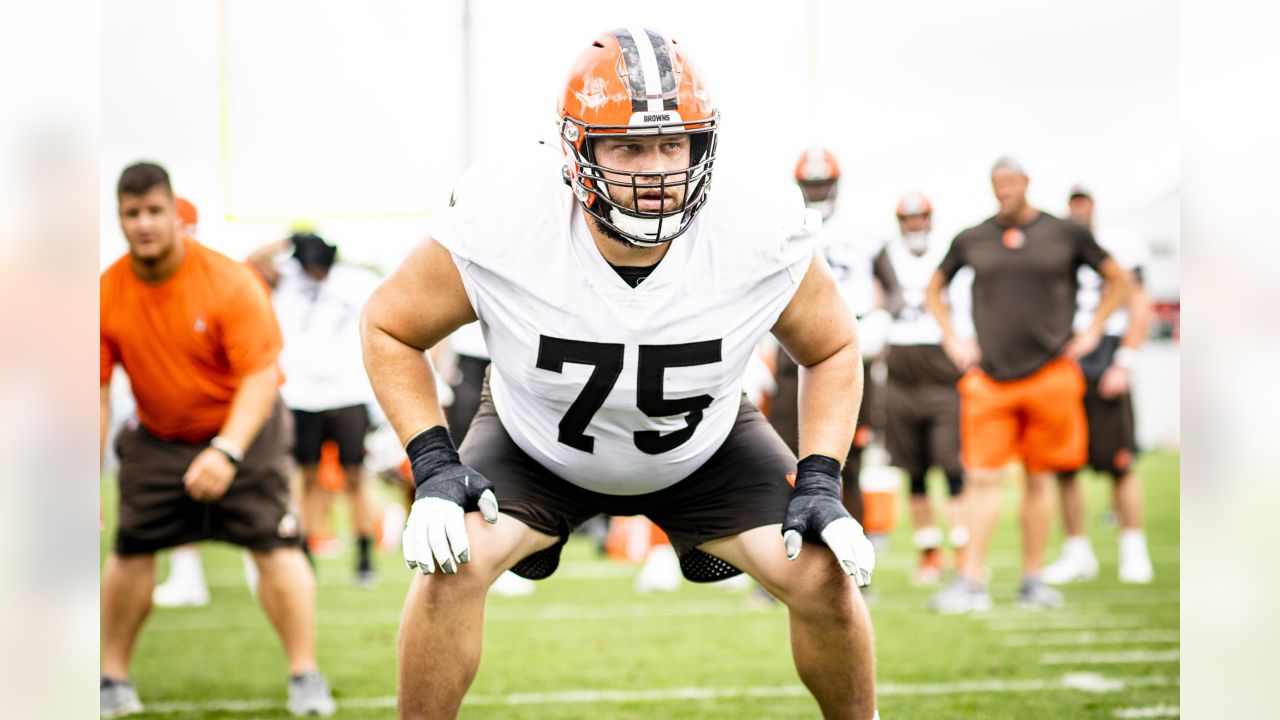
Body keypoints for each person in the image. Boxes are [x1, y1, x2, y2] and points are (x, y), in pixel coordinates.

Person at [362, 29, 879, 720]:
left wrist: (820, 477)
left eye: (674, 144)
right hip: (535, 444)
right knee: (448, 564)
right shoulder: (506, 214)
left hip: (705, 446)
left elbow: (834, 347)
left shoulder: (755, 222)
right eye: (629, 146)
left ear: (704, 146)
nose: (658, 169)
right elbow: (389, 325)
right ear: (577, 150)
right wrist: (432, 462)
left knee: (822, 571)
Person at [100, 163, 335, 717]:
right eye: (132, 214)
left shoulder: (229, 280)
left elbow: (260, 376)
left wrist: (226, 449)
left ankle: (305, 674)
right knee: (131, 548)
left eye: (154, 211)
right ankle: (112, 680)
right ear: (120, 219)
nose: (144, 224)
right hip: (158, 435)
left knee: (276, 544)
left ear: (175, 214)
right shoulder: (107, 290)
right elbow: (95, 389)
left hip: (244, 427)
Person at [923, 157, 1131, 613]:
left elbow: (1119, 280)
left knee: (1041, 479)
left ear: (1026, 183)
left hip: (1050, 373)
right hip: (989, 378)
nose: (1004, 193)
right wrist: (953, 337)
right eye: (997, 186)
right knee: (981, 479)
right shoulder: (972, 237)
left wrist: (1094, 329)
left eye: (1011, 184)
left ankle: (1032, 578)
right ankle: (970, 580)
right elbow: (933, 289)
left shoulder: (1066, 232)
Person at [770, 146, 901, 524]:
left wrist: (881, 319)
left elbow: (893, 290)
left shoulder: (865, 232)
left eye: (823, 185)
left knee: (847, 463)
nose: (816, 193)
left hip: (845, 348)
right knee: (782, 460)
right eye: (811, 186)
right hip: (788, 348)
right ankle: (783, 562)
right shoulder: (781, 228)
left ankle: (851, 557)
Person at [247, 231, 382, 586]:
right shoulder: (287, 280)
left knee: (355, 478)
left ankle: (365, 554)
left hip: (348, 394)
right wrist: (287, 239)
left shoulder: (355, 281)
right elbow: (251, 262)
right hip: (302, 396)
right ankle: (304, 552)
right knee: (305, 479)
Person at [1040, 184, 1155, 584]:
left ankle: (1134, 549)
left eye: (1084, 201)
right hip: (1065, 358)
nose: (1078, 208)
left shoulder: (1121, 242)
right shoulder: (1056, 245)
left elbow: (1139, 302)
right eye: (1072, 202)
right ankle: (1077, 552)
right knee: (1064, 465)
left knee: (1119, 464)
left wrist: (1126, 359)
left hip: (1106, 353)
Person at [879, 192, 969, 585]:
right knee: (913, 473)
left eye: (920, 218)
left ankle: (964, 551)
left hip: (940, 370)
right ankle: (929, 552)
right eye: (908, 219)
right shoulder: (885, 256)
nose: (914, 225)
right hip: (900, 371)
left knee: (952, 469)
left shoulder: (948, 257)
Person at [148, 196, 217, 608]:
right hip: (197, 409)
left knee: (260, 511)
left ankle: (191, 580)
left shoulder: (210, 277)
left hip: (224, 409)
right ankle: (188, 578)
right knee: (181, 494)